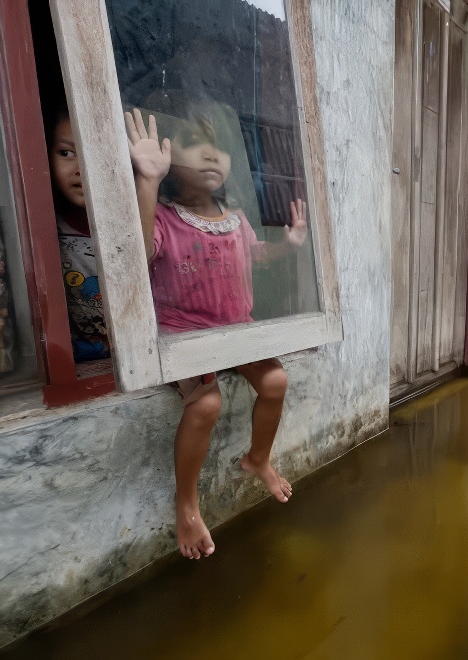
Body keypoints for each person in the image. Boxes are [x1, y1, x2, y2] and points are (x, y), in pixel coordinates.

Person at [125, 106, 308, 560]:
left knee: (276, 380)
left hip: (235, 332)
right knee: (206, 403)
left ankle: (257, 459)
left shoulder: (236, 218)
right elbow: (137, 250)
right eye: (195, 144)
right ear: (170, 158)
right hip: (184, 334)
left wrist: (287, 247)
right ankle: (186, 503)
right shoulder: (166, 218)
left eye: (220, 147)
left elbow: (254, 257)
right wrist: (145, 181)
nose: (211, 154)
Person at [46, 107, 111, 362]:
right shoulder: (44, 231)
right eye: (66, 153)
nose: (82, 167)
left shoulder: (145, 227)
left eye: (98, 153)